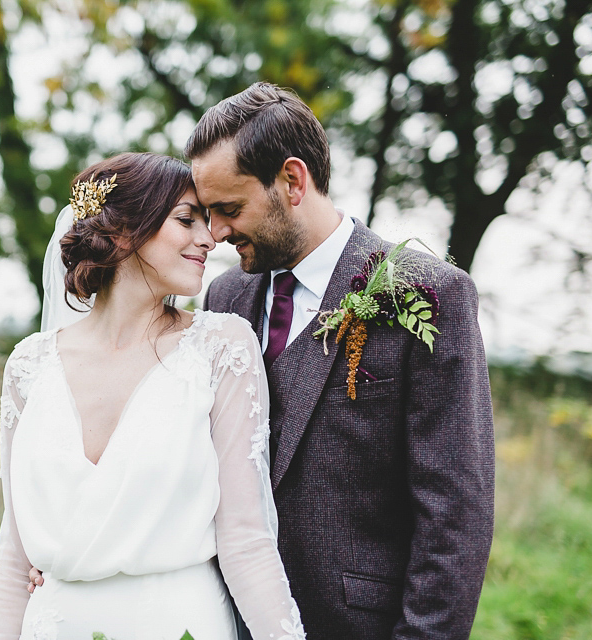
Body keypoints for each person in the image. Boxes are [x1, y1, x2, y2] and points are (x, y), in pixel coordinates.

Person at [185, 82, 495, 639]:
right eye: (208, 214)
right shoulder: (224, 298)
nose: (217, 233)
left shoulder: (426, 295)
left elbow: (454, 517)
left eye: (229, 209)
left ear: (292, 180)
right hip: (229, 619)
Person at [0, 152, 306, 639]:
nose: (208, 238)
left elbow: (246, 543)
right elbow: (12, 562)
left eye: (209, 222)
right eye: (186, 220)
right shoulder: (29, 367)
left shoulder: (220, 348)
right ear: (123, 232)